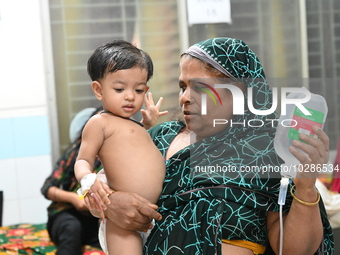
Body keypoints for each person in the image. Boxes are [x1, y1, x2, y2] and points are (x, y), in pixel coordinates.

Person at [91, 37, 334, 255]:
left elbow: (293, 250)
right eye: (183, 87)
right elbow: (96, 186)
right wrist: (110, 203)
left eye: (199, 87)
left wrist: (305, 186)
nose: (185, 97)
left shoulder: (269, 152)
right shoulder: (156, 138)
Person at [74, 40, 167, 255]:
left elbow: (131, 147)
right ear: (99, 90)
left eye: (139, 89)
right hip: (121, 223)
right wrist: (88, 180)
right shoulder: (100, 123)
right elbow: (82, 161)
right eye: (119, 88)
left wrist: (148, 125)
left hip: (149, 217)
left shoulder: (132, 124)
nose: (130, 96)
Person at [41, 106, 103, 255]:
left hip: (97, 221)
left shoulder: (117, 158)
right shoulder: (74, 153)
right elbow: (47, 187)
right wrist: (74, 199)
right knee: (72, 227)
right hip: (66, 214)